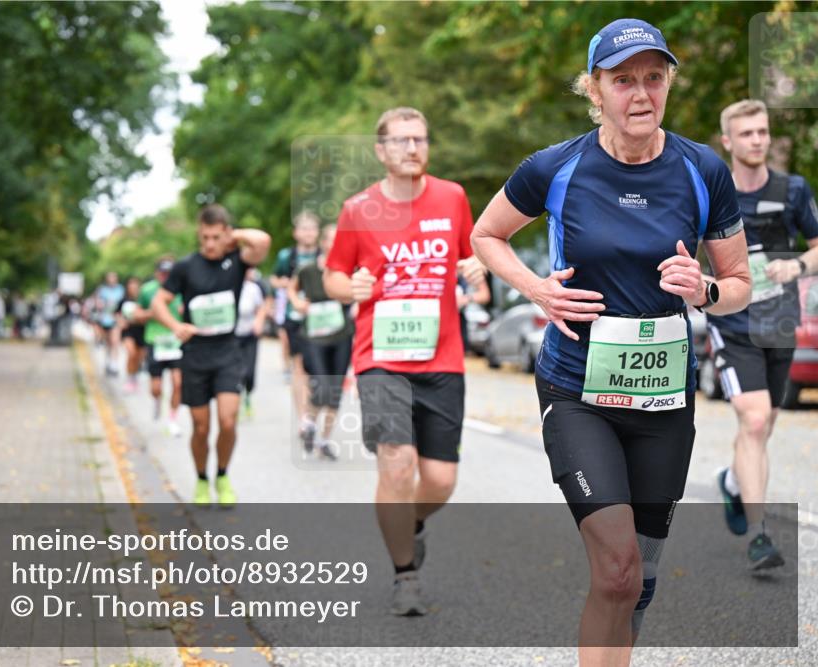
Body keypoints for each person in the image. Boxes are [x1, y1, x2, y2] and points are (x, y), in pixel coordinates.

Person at [471, 19, 750, 663]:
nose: (640, 93)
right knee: (617, 571)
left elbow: (739, 283)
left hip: (662, 401)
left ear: (669, 84)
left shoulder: (702, 169)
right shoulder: (555, 167)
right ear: (595, 89)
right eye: (622, 80)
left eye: (654, 77)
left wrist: (704, 290)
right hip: (578, 391)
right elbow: (486, 236)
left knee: (640, 583)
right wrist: (536, 289)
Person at [323, 107, 485, 616]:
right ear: (381, 151)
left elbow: (472, 257)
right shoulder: (357, 209)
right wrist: (349, 286)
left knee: (439, 480)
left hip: (443, 357)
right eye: (400, 141)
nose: (412, 148)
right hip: (380, 358)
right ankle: (405, 574)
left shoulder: (453, 197)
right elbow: (332, 276)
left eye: (419, 139)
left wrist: (477, 270)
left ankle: (409, 523)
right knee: (397, 462)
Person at [708, 99, 818, 570]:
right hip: (731, 323)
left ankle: (733, 483)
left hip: (778, 321)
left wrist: (795, 263)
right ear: (728, 142)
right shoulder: (712, 192)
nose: (758, 140)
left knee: (765, 423)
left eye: (763, 131)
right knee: (753, 420)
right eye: (747, 133)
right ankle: (759, 535)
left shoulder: (792, 190)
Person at [152, 205, 271, 507]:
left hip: (228, 352)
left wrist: (236, 237)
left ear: (226, 235)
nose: (209, 243)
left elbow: (262, 242)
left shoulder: (237, 260)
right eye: (204, 237)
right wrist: (176, 326)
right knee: (201, 426)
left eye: (216, 237)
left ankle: (222, 474)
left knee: (228, 422)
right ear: (198, 234)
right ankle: (202, 479)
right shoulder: (185, 267)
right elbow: (159, 302)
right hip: (195, 354)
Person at [288, 224, 352, 460]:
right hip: (313, 336)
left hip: (341, 335)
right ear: (323, 243)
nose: (334, 244)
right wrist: (296, 302)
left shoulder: (348, 269)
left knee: (335, 392)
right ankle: (308, 422)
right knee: (322, 385)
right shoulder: (307, 270)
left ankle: (323, 439)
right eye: (330, 240)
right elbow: (292, 288)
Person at [273, 212, 320, 444]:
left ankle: (311, 416)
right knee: (299, 368)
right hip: (294, 317)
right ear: (296, 232)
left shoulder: (325, 255)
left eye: (312, 228)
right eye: (304, 229)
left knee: (317, 373)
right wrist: (288, 286)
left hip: (320, 319)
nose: (308, 233)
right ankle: (303, 418)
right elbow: (274, 279)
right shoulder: (287, 256)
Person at [133, 260, 184, 437]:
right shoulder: (147, 290)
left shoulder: (180, 288)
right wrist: (152, 313)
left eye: (168, 273)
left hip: (175, 341)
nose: (165, 276)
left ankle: (172, 420)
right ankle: (157, 400)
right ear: (156, 273)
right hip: (155, 341)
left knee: (178, 382)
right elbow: (136, 314)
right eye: (162, 272)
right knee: (156, 388)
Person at [234, 267, 269, 419]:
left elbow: (261, 307)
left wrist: (259, 322)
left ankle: (248, 395)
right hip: (232, 336)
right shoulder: (229, 285)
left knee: (249, 373)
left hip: (249, 334)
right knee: (236, 371)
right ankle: (236, 402)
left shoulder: (253, 288)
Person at [117, 276, 147, 393]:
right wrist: (121, 321)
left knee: (139, 357)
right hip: (128, 331)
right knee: (131, 353)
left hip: (141, 330)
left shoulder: (143, 300)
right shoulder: (123, 300)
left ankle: (135, 376)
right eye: (131, 286)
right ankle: (130, 379)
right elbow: (117, 314)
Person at [95, 272, 125, 375]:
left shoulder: (121, 290)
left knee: (115, 342)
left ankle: (114, 365)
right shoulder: (103, 290)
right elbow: (98, 304)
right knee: (108, 343)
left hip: (115, 320)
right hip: (105, 320)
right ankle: (108, 361)